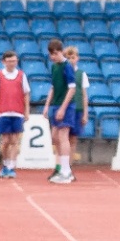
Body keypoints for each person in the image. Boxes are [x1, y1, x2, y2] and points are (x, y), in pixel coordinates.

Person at [40, 38, 78, 183]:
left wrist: (63, 107)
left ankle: (66, 171)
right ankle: (62, 167)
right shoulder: (54, 67)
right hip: (55, 105)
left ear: (60, 52)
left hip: (66, 106)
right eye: (51, 54)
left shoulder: (67, 66)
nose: (53, 57)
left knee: (63, 136)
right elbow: (53, 87)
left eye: (55, 54)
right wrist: (47, 105)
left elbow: (72, 88)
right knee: (55, 137)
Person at [0, 50, 30, 179]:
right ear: (4, 62)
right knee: (5, 141)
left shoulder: (21, 75)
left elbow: (26, 93)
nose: (11, 63)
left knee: (14, 140)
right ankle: (5, 164)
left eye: (14, 61)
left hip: (17, 112)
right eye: (9, 61)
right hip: (3, 111)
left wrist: (27, 110)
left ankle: (11, 166)